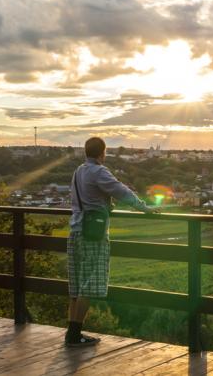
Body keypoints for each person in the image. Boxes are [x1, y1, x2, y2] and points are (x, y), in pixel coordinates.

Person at [65, 136, 157, 347]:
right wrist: (144, 208)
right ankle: (75, 335)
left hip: (75, 231)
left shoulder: (78, 171)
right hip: (93, 235)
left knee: (76, 285)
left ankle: (71, 332)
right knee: (88, 285)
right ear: (102, 153)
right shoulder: (99, 172)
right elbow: (122, 192)